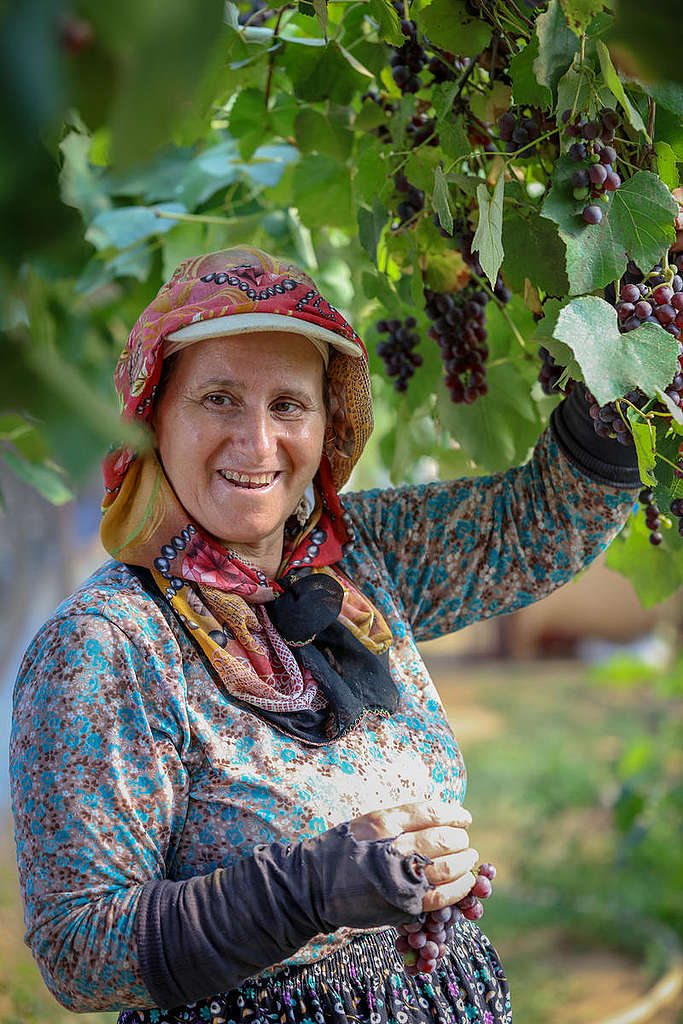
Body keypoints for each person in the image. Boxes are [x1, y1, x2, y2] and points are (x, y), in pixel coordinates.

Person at [10, 246, 642, 1024]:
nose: (257, 443)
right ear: (149, 417)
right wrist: (306, 887)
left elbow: (535, 524)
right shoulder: (106, 647)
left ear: (328, 420)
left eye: (288, 405)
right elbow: (80, 952)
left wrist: (634, 312)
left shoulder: (353, 563)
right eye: (217, 399)